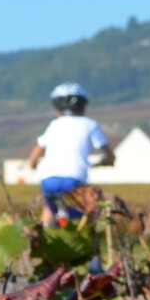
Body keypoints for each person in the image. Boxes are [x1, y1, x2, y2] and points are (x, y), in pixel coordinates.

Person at [26, 82, 111, 225]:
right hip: (74, 178)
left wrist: (33, 165)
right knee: (87, 214)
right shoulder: (90, 124)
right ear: (83, 105)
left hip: (48, 180)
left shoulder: (54, 125)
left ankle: (44, 237)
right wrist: (106, 161)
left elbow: (35, 155)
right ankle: (86, 242)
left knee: (50, 210)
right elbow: (109, 154)